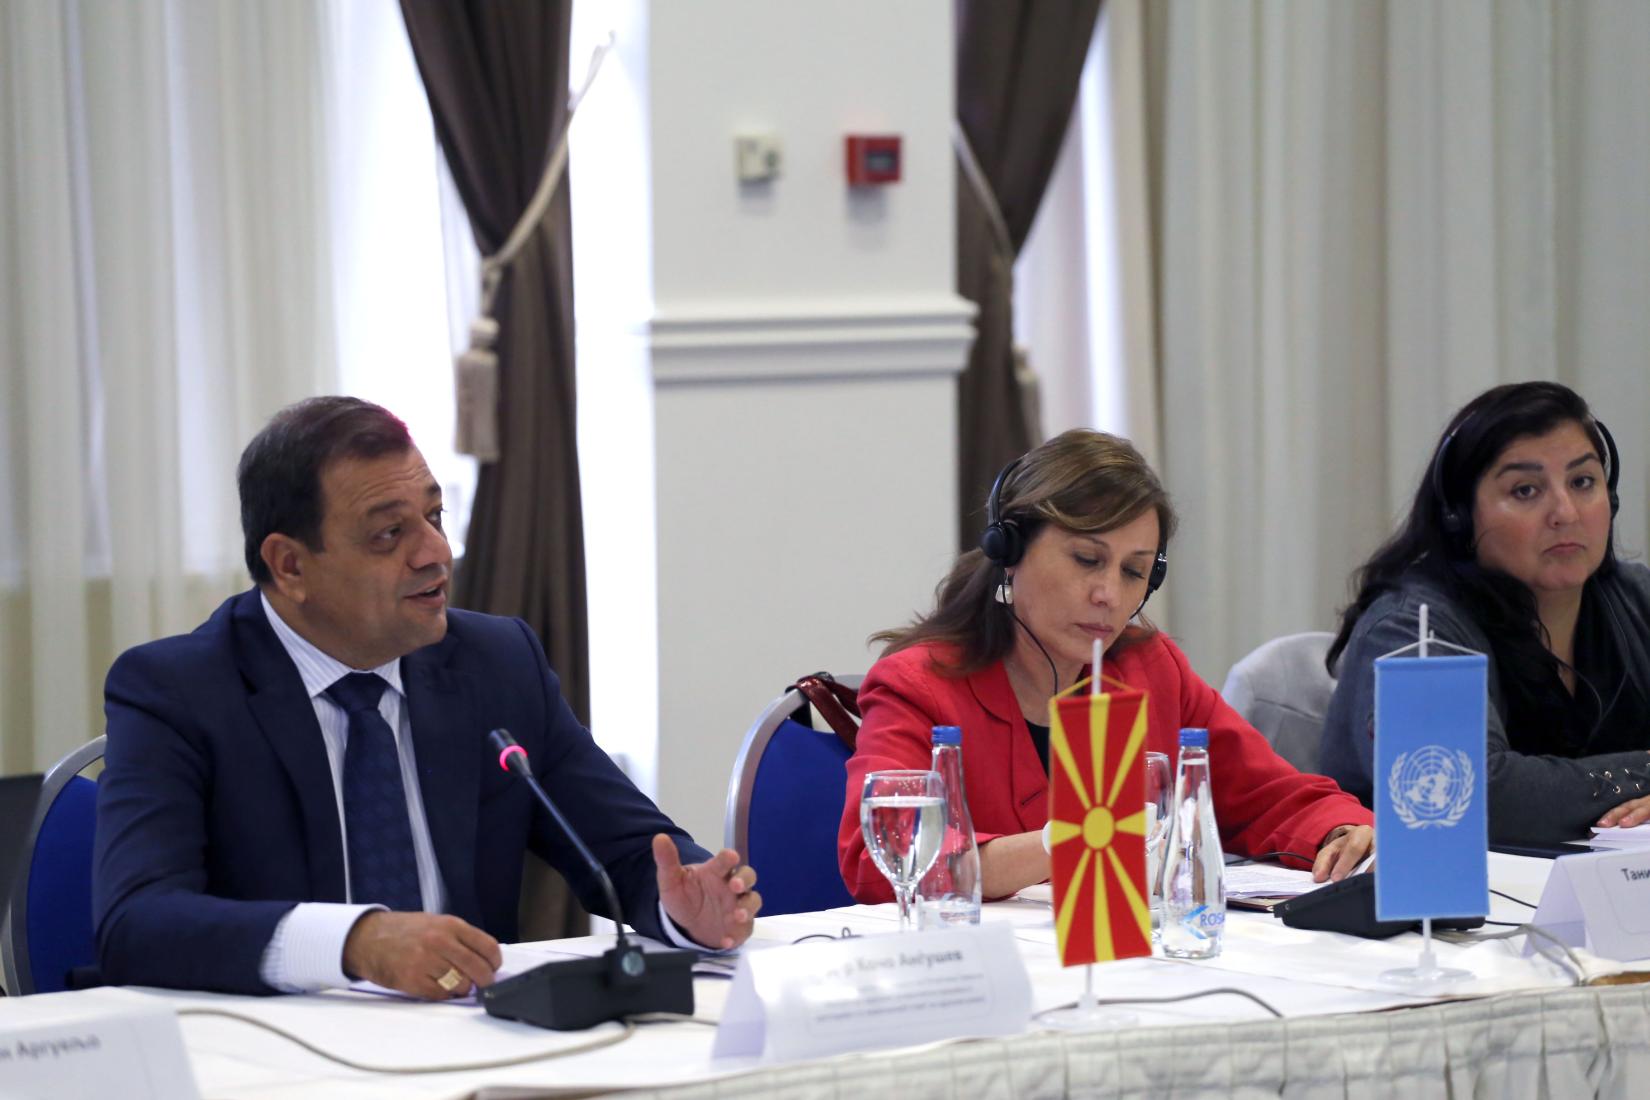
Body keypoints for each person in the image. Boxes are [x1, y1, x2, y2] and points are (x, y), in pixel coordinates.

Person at [94, 397, 760, 998]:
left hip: (471, 1046)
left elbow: (624, 851)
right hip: (276, 1062)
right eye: (390, 534)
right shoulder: (178, 691)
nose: (435, 552)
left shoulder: (496, 664)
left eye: (435, 517)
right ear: (290, 565)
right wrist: (355, 943)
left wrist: (685, 909)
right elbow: (138, 920)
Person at [838, 430, 1373, 903]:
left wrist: (1342, 832)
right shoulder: (920, 686)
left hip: (1132, 971)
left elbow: (1268, 797)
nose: (1109, 595)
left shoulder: (1150, 669)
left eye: (1134, 572)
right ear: (1011, 549)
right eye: (1087, 560)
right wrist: (1068, 840)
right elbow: (880, 861)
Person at [1322, 381, 1650, 845]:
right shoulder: (1411, 628)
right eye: (1525, 490)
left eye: (1582, 482)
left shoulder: (1636, 599)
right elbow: (1475, 798)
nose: (1565, 512)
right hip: (1430, 906)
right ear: (1459, 514)